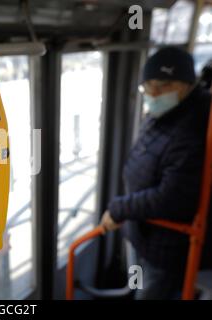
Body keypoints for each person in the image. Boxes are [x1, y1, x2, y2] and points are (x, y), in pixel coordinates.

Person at [99, 46, 212, 300]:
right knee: (139, 280)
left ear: (184, 85)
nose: (152, 94)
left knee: (151, 292)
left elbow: (171, 198)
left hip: (167, 246)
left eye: (161, 86)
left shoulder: (194, 128)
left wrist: (120, 208)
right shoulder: (168, 110)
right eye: (147, 86)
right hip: (145, 232)